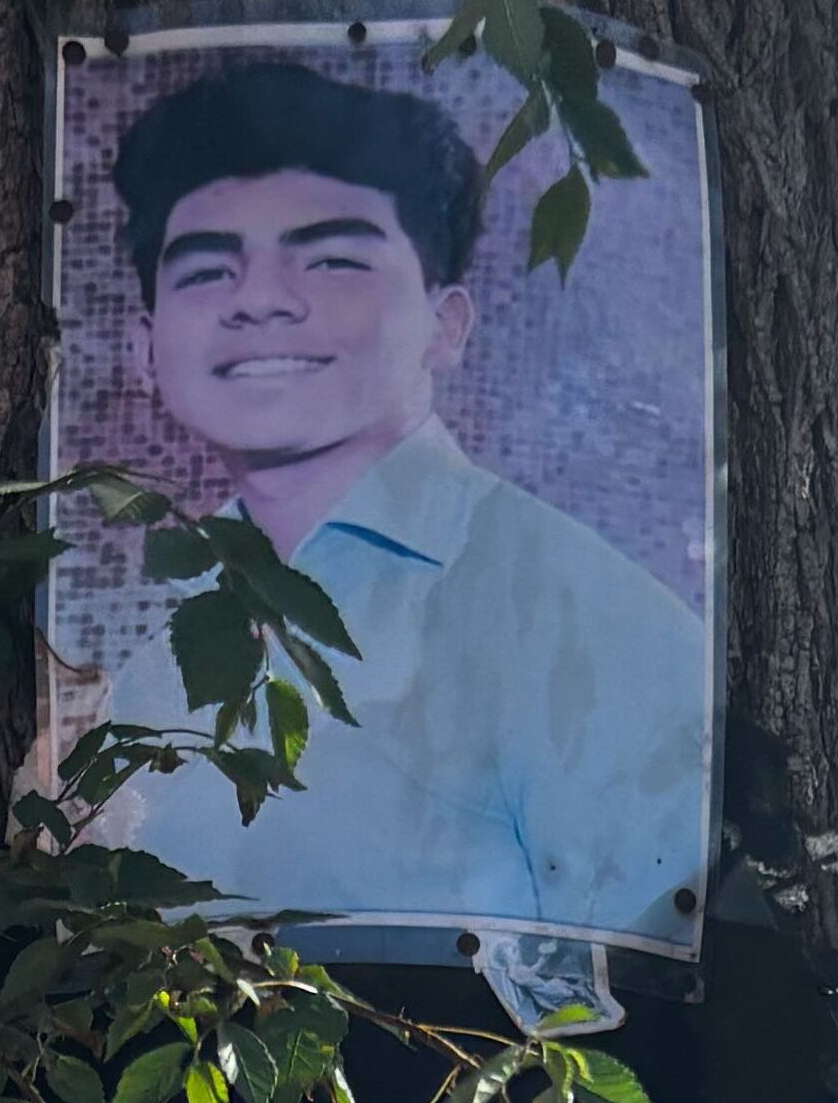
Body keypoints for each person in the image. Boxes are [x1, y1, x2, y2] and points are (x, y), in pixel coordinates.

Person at [78, 61, 711, 948]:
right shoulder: (147, 645)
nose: (260, 300)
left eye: (333, 259)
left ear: (447, 324)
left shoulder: (589, 623)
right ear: (149, 347)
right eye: (208, 271)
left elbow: (649, 985)